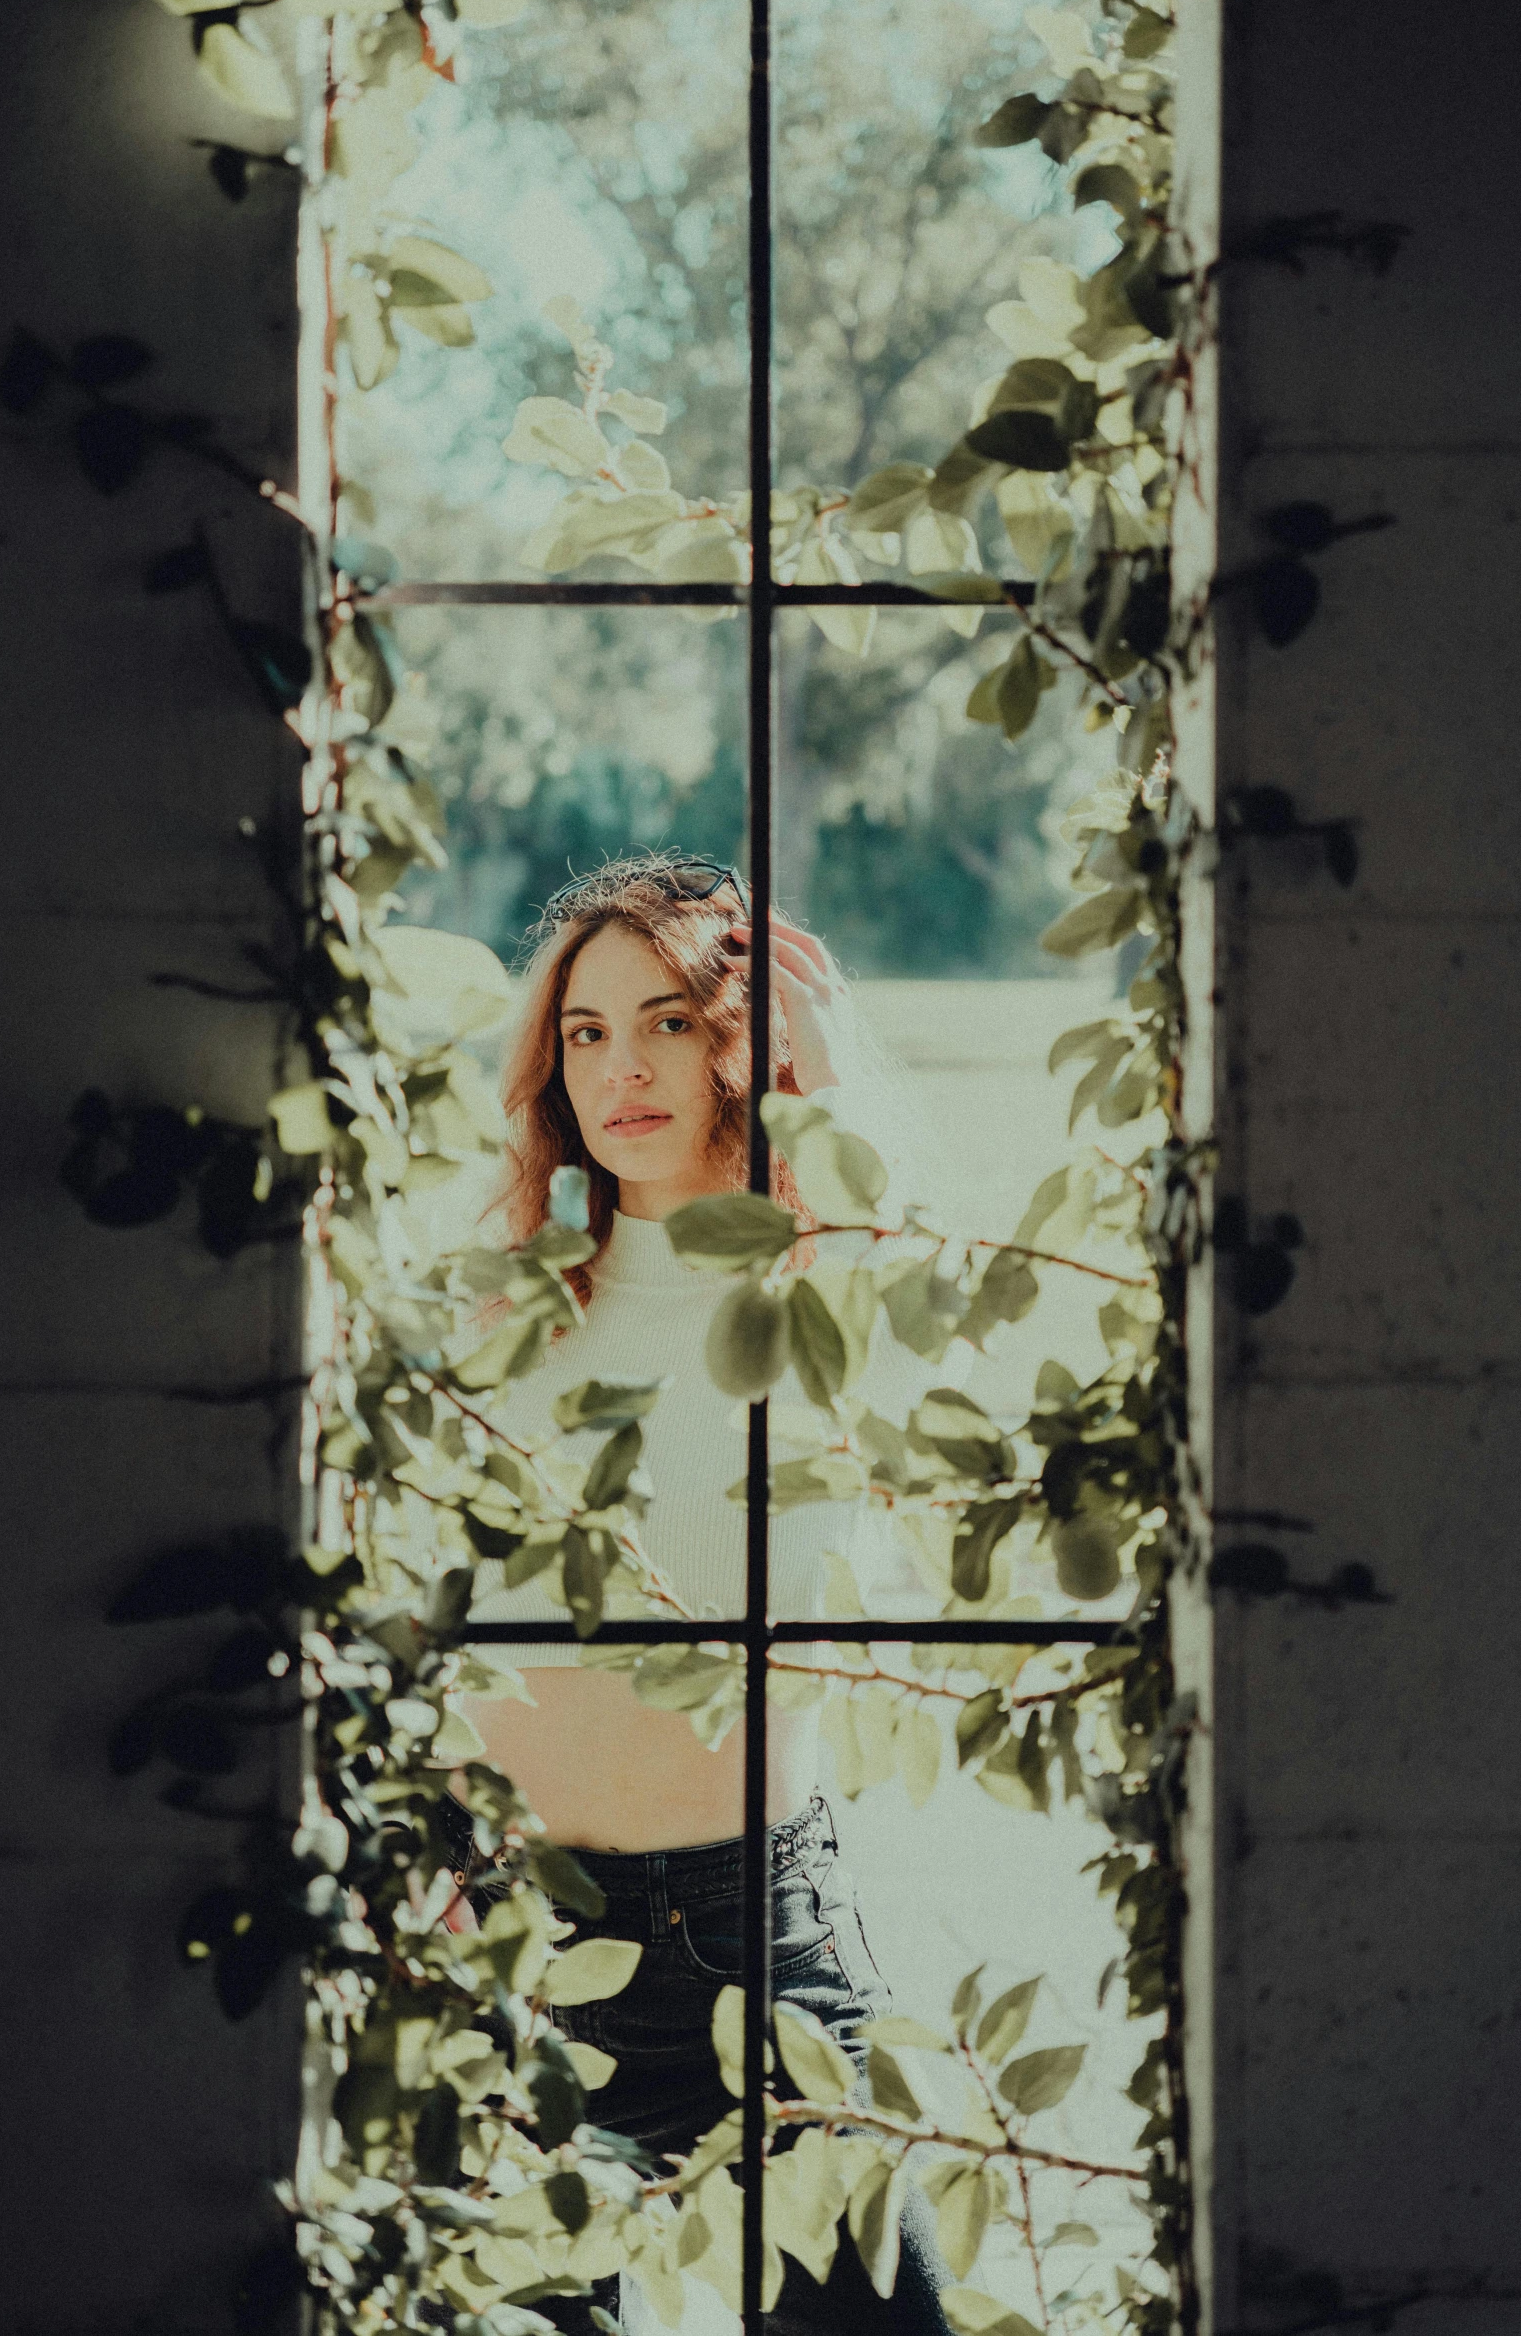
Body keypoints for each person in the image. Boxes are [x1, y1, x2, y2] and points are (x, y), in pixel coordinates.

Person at [463, 856, 950, 2336]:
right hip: (522, 1941)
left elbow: (943, 1384)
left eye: (668, 1020)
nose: (622, 1067)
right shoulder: (501, 1289)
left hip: (761, 1932)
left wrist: (841, 1065)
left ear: (742, 1041)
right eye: (588, 1031)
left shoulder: (820, 1283)